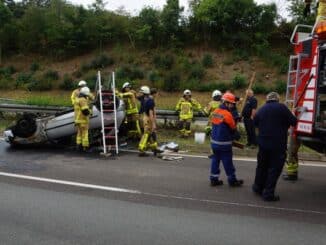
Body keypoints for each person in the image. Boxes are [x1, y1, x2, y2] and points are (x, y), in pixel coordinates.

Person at [252, 92, 297, 201]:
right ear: (277, 99)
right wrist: (293, 113)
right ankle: (268, 193)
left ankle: (257, 187)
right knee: (274, 169)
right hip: (277, 145)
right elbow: (294, 122)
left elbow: (255, 123)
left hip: (263, 144)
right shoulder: (282, 108)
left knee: (262, 166)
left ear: (267, 99)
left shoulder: (262, 109)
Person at [209, 92, 244, 187]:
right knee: (227, 162)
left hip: (214, 143)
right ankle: (232, 180)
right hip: (224, 144)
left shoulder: (215, 112)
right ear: (226, 103)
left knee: (215, 160)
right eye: (232, 104)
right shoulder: (227, 114)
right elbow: (233, 128)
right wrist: (236, 122)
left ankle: (213, 179)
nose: (232, 106)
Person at [138, 86, 161, 156]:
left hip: (146, 118)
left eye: (141, 92)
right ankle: (141, 149)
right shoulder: (150, 101)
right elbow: (151, 113)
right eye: (156, 94)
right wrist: (153, 123)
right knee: (147, 134)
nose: (157, 95)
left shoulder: (145, 99)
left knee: (152, 133)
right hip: (149, 119)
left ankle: (155, 148)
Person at [74, 86, 92, 152]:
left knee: (79, 134)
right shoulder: (83, 100)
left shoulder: (77, 99)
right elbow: (85, 111)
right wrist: (90, 112)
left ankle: (78, 147)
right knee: (85, 134)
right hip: (83, 120)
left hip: (77, 120)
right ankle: (85, 148)